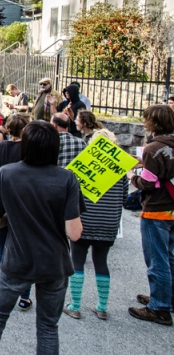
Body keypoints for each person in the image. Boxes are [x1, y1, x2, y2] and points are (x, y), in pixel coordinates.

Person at [0, 121, 83, 355]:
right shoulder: (67, 179)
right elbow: (74, 233)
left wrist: (17, 215)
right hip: (54, 263)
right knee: (48, 327)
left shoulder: (7, 173)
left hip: (17, 260)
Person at [61, 128, 126, 321]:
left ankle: (75, 305)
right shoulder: (119, 170)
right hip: (108, 223)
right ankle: (102, 307)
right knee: (101, 262)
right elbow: (124, 197)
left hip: (84, 220)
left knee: (77, 261)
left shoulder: (82, 167)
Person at [128, 104, 174, 326]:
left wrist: (131, 177)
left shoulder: (154, 148)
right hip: (172, 208)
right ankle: (167, 298)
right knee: (170, 257)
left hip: (157, 209)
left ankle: (159, 307)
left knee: (157, 260)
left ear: (152, 122)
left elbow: (147, 182)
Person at [0, 114, 32, 307]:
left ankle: (1, 286)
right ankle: (24, 294)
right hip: (25, 201)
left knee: (3, 249)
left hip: (3, 199)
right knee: (25, 249)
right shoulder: (29, 149)